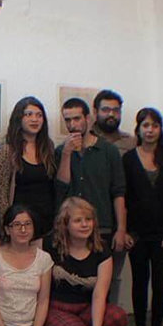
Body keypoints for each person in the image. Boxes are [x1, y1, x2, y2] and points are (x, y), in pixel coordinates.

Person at [56, 98, 129, 312]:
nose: (73, 125)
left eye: (77, 118)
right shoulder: (62, 151)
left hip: (102, 226)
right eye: (68, 120)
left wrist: (122, 229)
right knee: (75, 283)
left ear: (88, 118)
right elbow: (61, 187)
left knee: (106, 281)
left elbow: (118, 192)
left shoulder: (108, 151)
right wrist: (68, 153)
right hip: (71, 229)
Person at [44, 197, 127, 326]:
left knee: (118, 316)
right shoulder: (50, 244)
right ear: (65, 224)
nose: (84, 225)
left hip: (85, 310)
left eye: (88, 220)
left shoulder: (101, 249)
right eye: (77, 220)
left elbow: (99, 295)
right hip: (55, 309)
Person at [123, 108, 163, 326]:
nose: (149, 129)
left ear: (160, 129)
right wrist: (124, 230)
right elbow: (122, 197)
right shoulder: (128, 159)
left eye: (154, 125)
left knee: (160, 284)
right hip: (136, 234)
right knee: (139, 283)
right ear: (138, 129)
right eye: (145, 125)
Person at [0, 96, 56, 238]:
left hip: (47, 226)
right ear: (18, 118)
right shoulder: (6, 151)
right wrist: (8, 227)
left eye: (39, 115)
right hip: (20, 227)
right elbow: (0, 197)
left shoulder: (49, 148)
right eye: (28, 114)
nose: (35, 119)